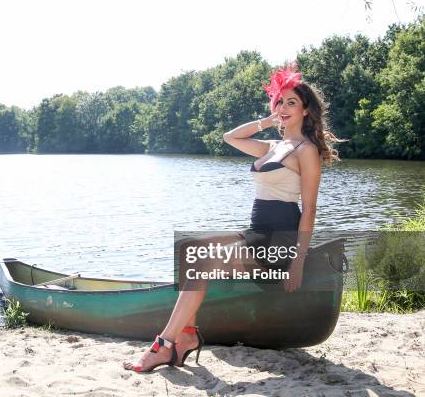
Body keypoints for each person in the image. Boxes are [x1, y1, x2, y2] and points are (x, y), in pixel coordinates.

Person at [123, 63, 343, 373]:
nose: (284, 107)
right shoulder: (272, 146)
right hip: (254, 232)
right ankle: (187, 336)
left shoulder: (305, 150)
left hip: (279, 240)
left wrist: (298, 261)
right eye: (280, 101)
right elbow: (230, 137)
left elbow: (309, 209)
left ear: (307, 110)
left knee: (200, 261)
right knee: (189, 248)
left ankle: (165, 345)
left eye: (292, 102)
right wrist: (267, 120)